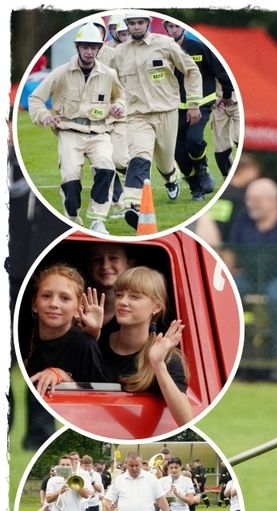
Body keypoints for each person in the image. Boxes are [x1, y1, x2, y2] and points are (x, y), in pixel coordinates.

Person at [26, 23, 126, 232]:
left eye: (93, 47)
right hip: (70, 132)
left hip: (100, 132)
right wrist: (44, 116)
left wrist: (118, 106)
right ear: (77, 48)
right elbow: (35, 98)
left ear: (99, 49)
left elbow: (120, 96)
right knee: (70, 178)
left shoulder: (108, 74)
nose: (89, 51)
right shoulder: (61, 73)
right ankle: (72, 216)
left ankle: (98, 220)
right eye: (85, 47)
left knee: (106, 169)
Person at [109, 12, 203, 214]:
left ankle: (171, 177)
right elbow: (107, 82)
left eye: (140, 23)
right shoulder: (118, 54)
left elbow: (191, 70)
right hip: (136, 115)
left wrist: (194, 103)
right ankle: (133, 204)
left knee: (165, 162)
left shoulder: (166, 44)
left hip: (167, 111)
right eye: (132, 23)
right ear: (126, 25)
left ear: (148, 23)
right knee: (139, 156)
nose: (136, 27)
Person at [226, 177, 277, 382]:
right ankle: (234, 359)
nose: (250, 204)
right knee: (228, 295)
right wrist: (228, 274)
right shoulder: (244, 216)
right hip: (250, 275)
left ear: (273, 201)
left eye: (256, 199)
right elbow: (230, 249)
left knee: (275, 297)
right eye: (249, 199)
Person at [98, 266, 193, 424]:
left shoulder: (167, 358)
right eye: (119, 295)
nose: (123, 302)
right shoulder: (97, 343)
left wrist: (158, 364)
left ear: (156, 307)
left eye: (134, 297)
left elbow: (186, 421)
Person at [163, 19, 235, 201]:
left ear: (182, 28)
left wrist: (227, 92)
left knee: (194, 141)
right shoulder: (160, 49)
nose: (173, 30)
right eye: (169, 27)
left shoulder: (199, 47)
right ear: (165, 29)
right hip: (173, 106)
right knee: (177, 151)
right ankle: (195, 187)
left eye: (176, 26)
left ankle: (202, 169)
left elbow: (220, 70)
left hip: (201, 102)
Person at [23, 264, 108, 397]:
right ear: (34, 304)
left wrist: (63, 376)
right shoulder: (20, 337)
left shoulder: (85, 344)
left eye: (65, 298)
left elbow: (100, 397)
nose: (53, 304)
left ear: (78, 310)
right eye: (46, 296)